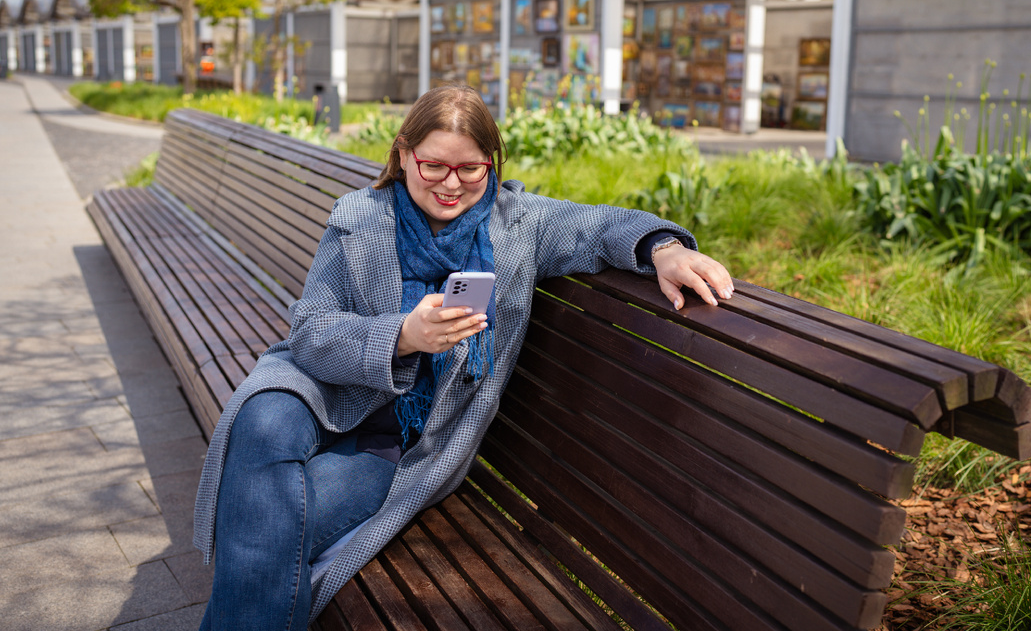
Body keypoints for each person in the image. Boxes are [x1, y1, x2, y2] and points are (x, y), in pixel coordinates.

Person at [193, 85, 733, 629]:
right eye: (433, 166)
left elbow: (602, 225)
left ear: (491, 163)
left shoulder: (519, 225)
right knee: (261, 425)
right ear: (403, 154)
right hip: (319, 389)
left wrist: (665, 249)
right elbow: (311, 331)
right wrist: (403, 336)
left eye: (471, 169)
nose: (451, 184)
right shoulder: (360, 216)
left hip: (393, 441)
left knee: (263, 522)